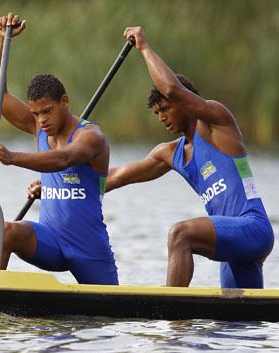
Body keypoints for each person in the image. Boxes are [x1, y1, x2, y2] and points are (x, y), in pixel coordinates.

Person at [106, 26, 274, 288]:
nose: (162, 117)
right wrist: (52, 186)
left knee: (180, 234)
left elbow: (172, 88)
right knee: (237, 320)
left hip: (253, 228)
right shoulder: (171, 153)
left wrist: (144, 48)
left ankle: (173, 319)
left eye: (166, 109)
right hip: (234, 248)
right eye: (156, 113)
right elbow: (115, 176)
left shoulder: (216, 124)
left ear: (186, 103)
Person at [0, 13, 118, 285]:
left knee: (109, 320)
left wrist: (12, 157)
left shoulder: (91, 137)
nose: (42, 120)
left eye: (47, 111)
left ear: (64, 102)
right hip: (50, 240)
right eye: (36, 113)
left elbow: (64, 159)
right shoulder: (38, 127)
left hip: (88, 248)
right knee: (5, 231)